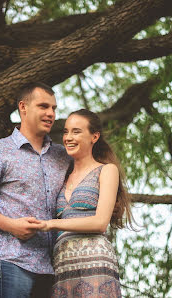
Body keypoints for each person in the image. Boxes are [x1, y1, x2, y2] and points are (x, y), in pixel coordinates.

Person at [0, 82, 71, 298]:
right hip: (12, 261)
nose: (51, 114)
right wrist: (10, 225)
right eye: (43, 106)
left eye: (54, 108)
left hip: (54, 267)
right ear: (23, 107)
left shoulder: (63, 156)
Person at [39, 109, 134, 298]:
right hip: (62, 264)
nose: (68, 137)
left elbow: (100, 223)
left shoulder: (106, 170)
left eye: (76, 131)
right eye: (66, 132)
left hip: (95, 263)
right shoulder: (62, 175)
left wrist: (52, 224)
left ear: (94, 137)